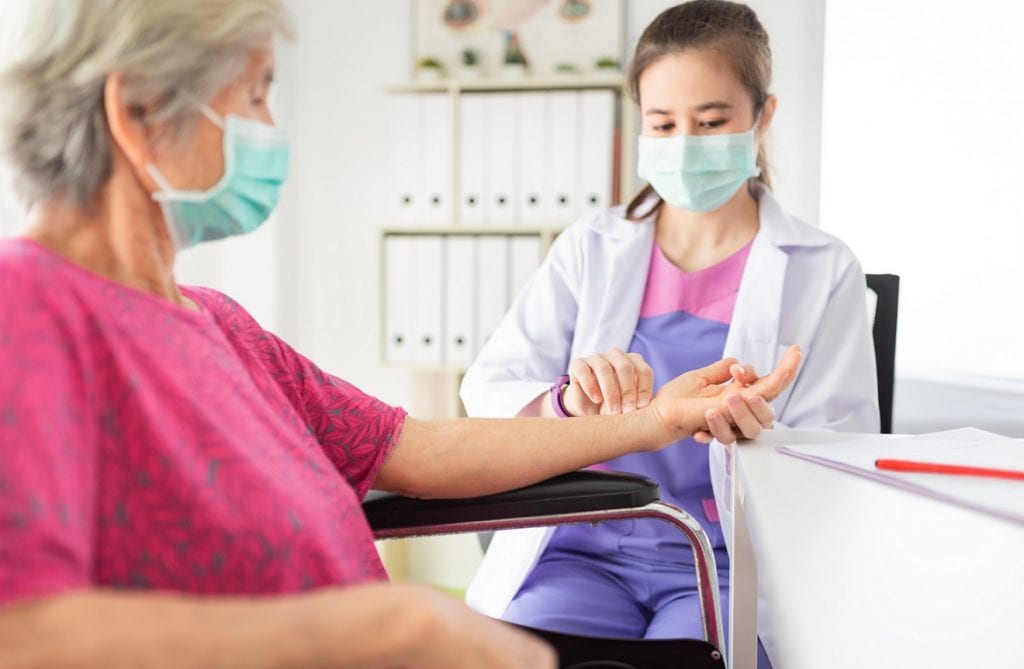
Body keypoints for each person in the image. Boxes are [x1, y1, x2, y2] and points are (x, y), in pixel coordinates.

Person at [0, 1, 801, 666]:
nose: (271, 125)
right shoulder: (29, 306)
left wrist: (653, 419)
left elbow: (412, 450)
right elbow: (22, 632)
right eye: (254, 96)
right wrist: (397, 628)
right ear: (136, 109)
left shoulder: (219, 324)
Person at [459, 1, 879, 665]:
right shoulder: (590, 249)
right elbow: (490, 388)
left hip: (725, 563)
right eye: (663, 123)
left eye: (712, 122)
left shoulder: (822, 270)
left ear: (763, 117)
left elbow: (845, 455)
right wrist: (568, 398)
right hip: (579, 551)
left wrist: (759, 432)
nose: (686, 143)